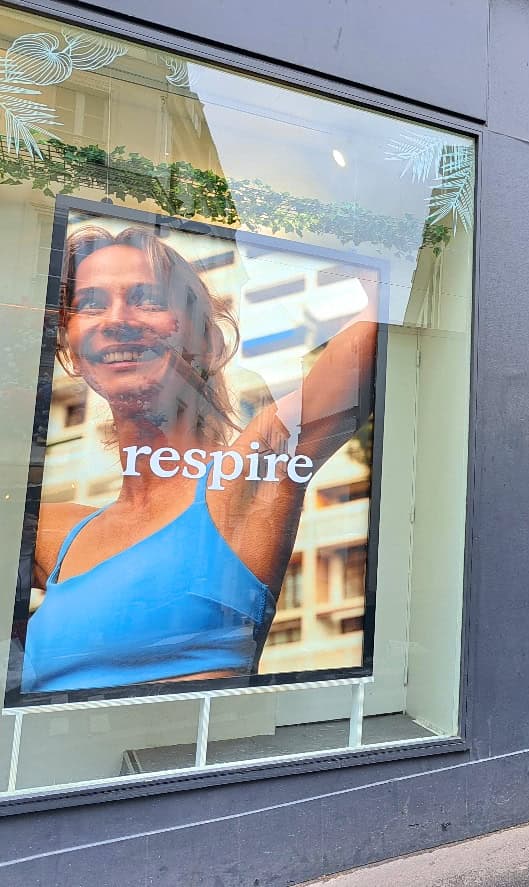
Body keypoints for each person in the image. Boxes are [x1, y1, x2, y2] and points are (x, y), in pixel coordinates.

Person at [20, 223, 378, 693]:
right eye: (90, 303)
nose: (115, 319)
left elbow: (388, 310)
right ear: (70, 351)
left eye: (147, 298)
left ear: (204, 339)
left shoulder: (245, 479)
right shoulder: (56, 536)